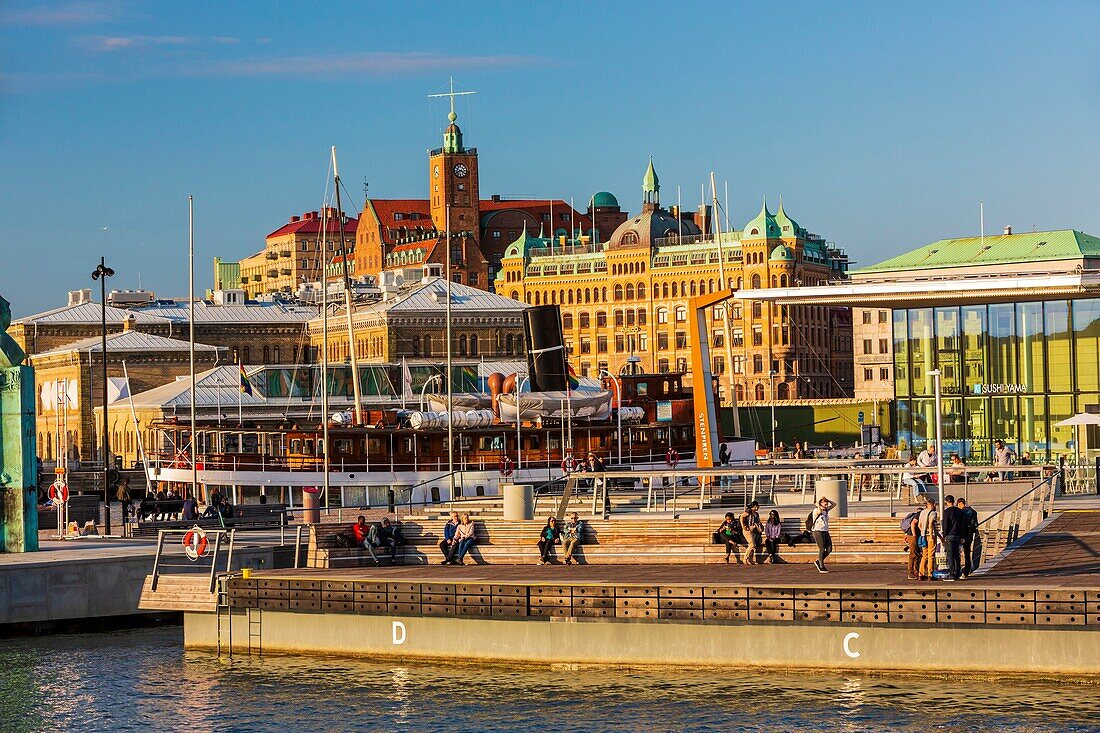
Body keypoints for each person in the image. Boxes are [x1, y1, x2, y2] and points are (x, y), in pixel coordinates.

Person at [941, 495, 965, 581]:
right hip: (958, 535)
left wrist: (944, 535)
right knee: (956, 555)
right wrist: (962, 536)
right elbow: (962, 524)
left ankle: (952, 574)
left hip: (949, 535)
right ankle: (958, 572)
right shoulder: (959, 511)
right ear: (954, 501)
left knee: (950, 555)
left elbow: (945, 525)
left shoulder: (946, 512)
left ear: (946, 502)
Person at [810, 496, 837, 573]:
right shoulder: (816, 510)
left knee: (829, 549)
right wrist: (818, 504)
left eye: (826, 504)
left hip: (825, 531)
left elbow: (834, 504)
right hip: (818, 531)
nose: (826, 506)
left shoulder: (826, 510)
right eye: (825, 504)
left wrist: (828, 499)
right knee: (822, 549)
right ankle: (821, 566)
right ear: (820, 504)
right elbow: (819, 510)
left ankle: (819, 561)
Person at [917, 498, 940, 581]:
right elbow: (930, 525)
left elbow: (919, 525)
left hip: (923, 535)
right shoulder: (933, 513)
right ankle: (930, 574)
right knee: (931, 555)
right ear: (932, 504)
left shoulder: (922, 512)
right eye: (935, 504)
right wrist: (931, 536)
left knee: (924, 555)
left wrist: (923, 532)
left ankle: (921, 574)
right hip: (930, 536)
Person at [957, 497, 979, 578]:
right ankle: (967, 571)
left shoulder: (961, 512)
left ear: (960, 503)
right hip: (970, 535)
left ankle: (958, 571)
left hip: (962, 534)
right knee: (967, 553)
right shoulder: (973, 512)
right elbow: (976, 524)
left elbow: (960, 524)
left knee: (958, 553)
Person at [903, 506, 922, 580]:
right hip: (913, 536)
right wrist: (914, 535)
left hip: (913, 536)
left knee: (916, 554)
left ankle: (916, 571)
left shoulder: (915, 516)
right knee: (913, 554)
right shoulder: (918, 516)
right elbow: (913, 524)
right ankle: (911, 572)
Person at [588, 452, 609, 518]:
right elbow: (589, 470)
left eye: (592, 460)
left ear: (595, 459)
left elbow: (596, 471)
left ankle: (607, 509)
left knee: (604, 495)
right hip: (599, 482)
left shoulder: (597, 463)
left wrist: (589, 471)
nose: (591, 461)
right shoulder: (591, 465)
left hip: (603, 481)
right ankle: (606, 508)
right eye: (590, 460)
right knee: (603, 495)